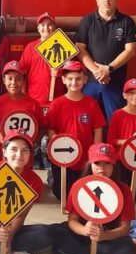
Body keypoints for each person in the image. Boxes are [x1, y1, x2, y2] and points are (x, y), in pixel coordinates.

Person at [51, 143, 136, 254]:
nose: (102, 168)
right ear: (90, 164)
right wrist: (85, 230)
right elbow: (72, 221)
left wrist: (104, 235)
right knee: (56, 232)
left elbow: (125, 228)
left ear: (114, 166)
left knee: (128, 249)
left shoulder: (124, 190)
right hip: (83, 233)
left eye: (107, 163)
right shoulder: (78, 186)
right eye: (97, 163)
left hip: (108, 236)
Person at [76, 0, 136, 120]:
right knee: (85, 120)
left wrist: (109, 69)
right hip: (90, 82)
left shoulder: (127, 22)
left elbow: (130, 50)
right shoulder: (87, 21)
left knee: (115, 121)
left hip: (115, 82)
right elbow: (80, 49)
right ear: (97, 0)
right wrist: (97, 71)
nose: (107, 0)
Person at [45, 60, 105, 199]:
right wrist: (57, 143)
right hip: (63, 157)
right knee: (61, 195)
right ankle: (52, 177)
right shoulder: (57, 104)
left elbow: (97, 129)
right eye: (70, 78)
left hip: (84, 158)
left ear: (85, 80)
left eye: (78, 78)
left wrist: (94, 154)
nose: (74, 82)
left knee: (83, 194)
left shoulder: (91, 103)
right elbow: (50, 129)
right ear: (63, 80)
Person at [0, 60, 45, 164]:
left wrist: (31, 141)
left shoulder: (33, 105)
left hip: (23, 159)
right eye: (9, 78)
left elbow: (42, 128)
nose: (13, 83)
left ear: (24, 80)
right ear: (4, 80)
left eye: (18, 79)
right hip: (0, 156)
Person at [19, 12, 66, 106]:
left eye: (50, 25)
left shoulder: (63, 46)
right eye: (43, 25)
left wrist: (61, 72)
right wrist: (23, 97)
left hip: (57, 100)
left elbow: (72, 72)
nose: (46, 28)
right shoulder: (30, 47)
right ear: (38, 28)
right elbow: (22, 73)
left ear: (55, 27)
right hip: (35, 99)